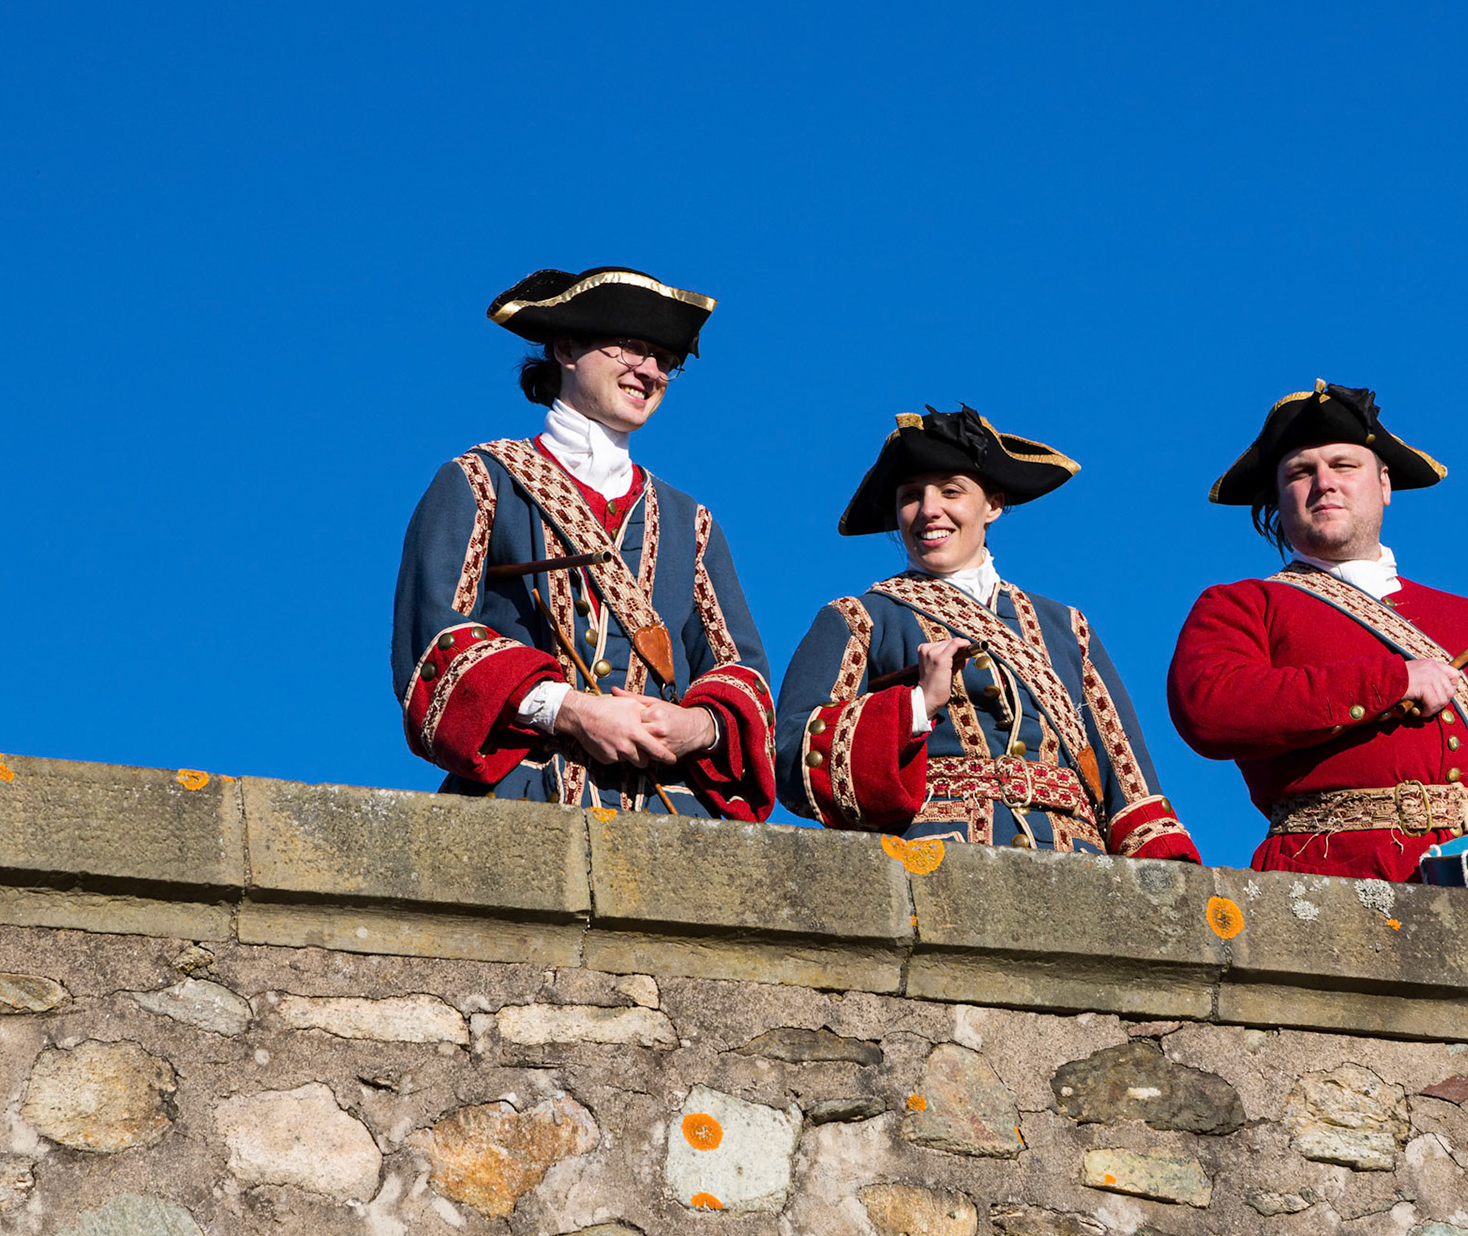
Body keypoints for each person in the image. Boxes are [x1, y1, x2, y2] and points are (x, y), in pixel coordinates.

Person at [391, 267, 774, 817]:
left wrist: (692, 725)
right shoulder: (480, 480)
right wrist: (570, 711)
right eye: (632, 348)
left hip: (669, 818)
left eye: (665, 359)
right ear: (566, 349)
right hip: (522, 802)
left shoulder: (692, 522)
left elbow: (743, 678)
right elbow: (432, 641)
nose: (650, 370)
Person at [1167, 381, 1468, 881]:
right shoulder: (1241, 604)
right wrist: (1393, 681)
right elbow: (1211, 708)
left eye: (1344, 465)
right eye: (1301, 472)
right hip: (1330, 878)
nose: (1324, 482)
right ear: (1279, 500)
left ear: (1384, 484)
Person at [775, 407, 1198, 860]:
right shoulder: (860, 618)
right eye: (911, 496)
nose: (929, 510)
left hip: (1078, 868)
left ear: (993, 505)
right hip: (940, 865)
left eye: (950, 492)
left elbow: (1128, 780)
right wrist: (916, 706)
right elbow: (793, 756)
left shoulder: (1066, 628)